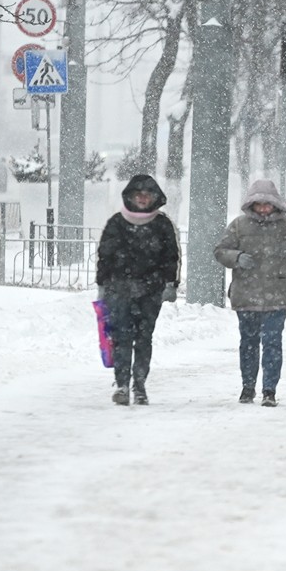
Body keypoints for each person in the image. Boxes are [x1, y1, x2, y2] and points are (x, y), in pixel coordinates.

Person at [214, 179, 286, 407]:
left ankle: (269, 390)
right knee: (248, 342)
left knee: (272, 342)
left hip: (278, 296)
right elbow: (220, 250)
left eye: (267, 204)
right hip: (246, 295)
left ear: (275, 204)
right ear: (251, 204)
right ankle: (248, 387)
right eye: (258, 204)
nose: (263, 209)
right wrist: (237, 257)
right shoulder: (239, 226)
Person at [95, 174, 180, 406]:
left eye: (147, 195)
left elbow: (171, 257)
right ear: (130, 197)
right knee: (122, 337)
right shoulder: (116, 223)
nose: (142, 199)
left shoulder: (162, 225)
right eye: (138, 194)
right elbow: (105, 256)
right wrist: (102, 284)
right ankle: (122, 384)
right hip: (119, 291)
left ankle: (139, 384)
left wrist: (170, 284)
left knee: (143, 338)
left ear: (155, 198)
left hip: (150, 291)